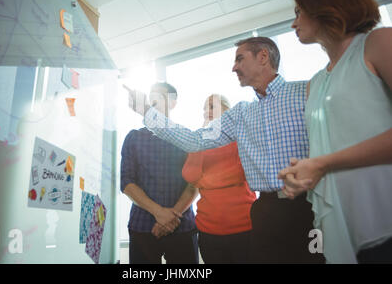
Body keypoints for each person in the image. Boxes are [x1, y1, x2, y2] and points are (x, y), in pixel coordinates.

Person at [126, 37, 325, 263]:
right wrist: (146, 110)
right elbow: (195, 140)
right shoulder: (241, 114)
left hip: (309, 206)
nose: (234, 67)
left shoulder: (306, 92)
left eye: (240, 59)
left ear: (263, 57)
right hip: (266, 211)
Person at [278, 0, 392, 264]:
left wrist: (321, 163)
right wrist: (304, 174)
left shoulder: (379, 42)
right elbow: (330, 146)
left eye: (300, 12)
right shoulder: (314, 82)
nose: (294, 22)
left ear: (326, 7)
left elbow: (327, 158)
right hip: (345, 230)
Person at [120, 82, 199, 264]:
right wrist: (160, 213)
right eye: (151, 96)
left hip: (182, 227)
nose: (153, 100)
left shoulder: (187, 137)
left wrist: (171, 216)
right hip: (142, 227)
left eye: (159, 96)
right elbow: (126, 183)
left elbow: (195, 183)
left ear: (173, 103)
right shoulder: (133, 137)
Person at [182, 94, 256, 263]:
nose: (206, 111)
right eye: (204, 108)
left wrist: (206, 181)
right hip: (209, 230)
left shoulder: (241, 139)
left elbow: (243, 174)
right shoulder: (198, 141)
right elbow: (191, 176)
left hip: (243, 227)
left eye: (212, 106)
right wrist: (201, 137)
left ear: (227, 111)